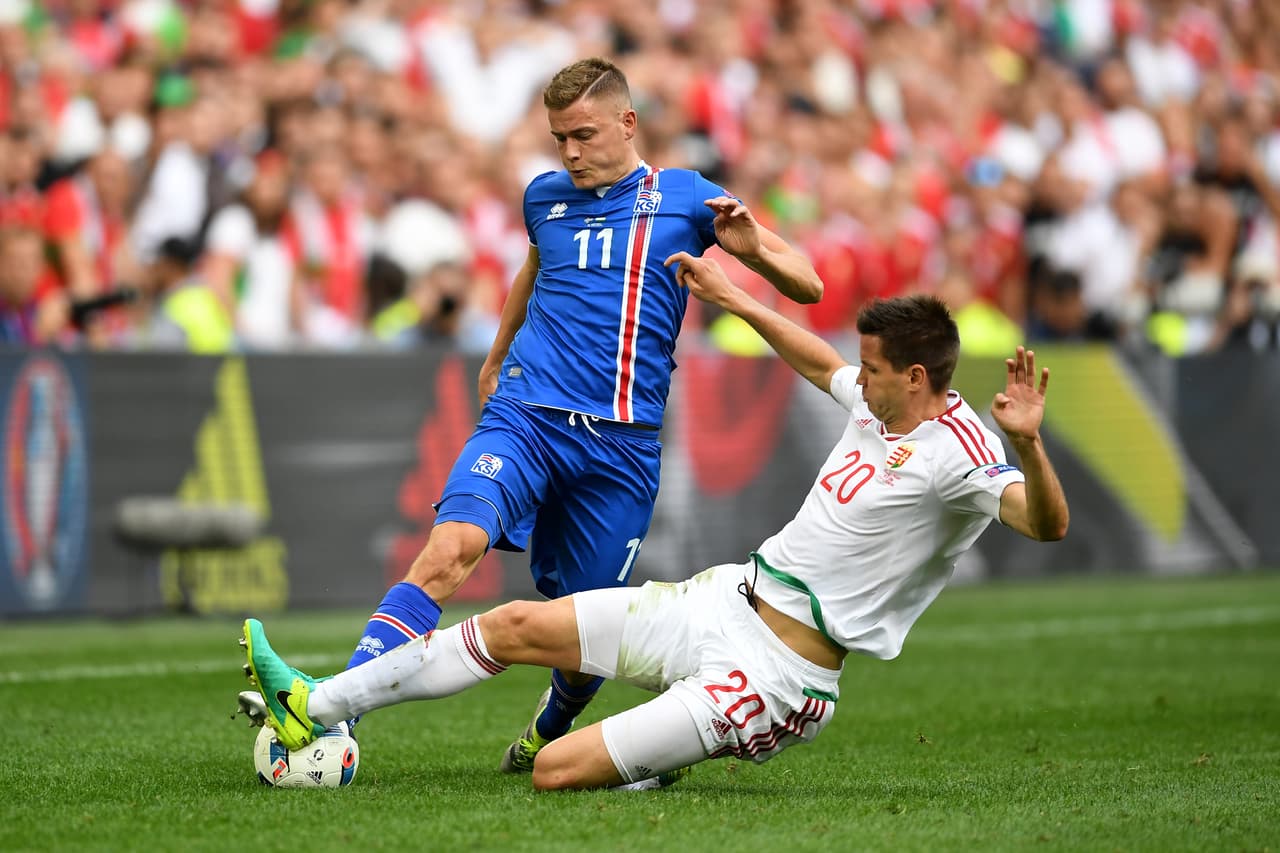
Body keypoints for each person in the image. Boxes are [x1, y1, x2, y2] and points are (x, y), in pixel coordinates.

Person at [239, 260, 1069, 792]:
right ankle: (315, 701)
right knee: (512, 621)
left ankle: (664, 752)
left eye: (878, 369)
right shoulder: (878, 402)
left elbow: (1045, 524)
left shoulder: (962, 450)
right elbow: (821, 363)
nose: (862, 377)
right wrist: (736, 298)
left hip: (775, 676)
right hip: (725, 602)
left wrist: (1029, 446)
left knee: (555, 773)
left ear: (917, 377)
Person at [238, 57, 822, 774]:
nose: (570, 153)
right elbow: (535, 267)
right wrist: (497, 354)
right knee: (449, 550)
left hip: (622, 450)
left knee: (584, 631)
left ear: (628, 124)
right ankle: (333, 706)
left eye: (583, 134)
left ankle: (550, 727)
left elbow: (810, 283)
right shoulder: (545, 196)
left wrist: (754, 248)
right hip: (528, 416)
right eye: (559, 138)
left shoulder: (687, 199)